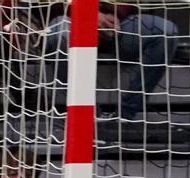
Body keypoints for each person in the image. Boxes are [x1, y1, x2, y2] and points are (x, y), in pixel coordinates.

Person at [45, 1, 179, 122]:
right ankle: (88, 116)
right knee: (58, 33)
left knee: (166, 31)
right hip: (70, 20)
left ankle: (125, 116)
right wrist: (87, 14)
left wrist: (113, 14)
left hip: (118, 23)